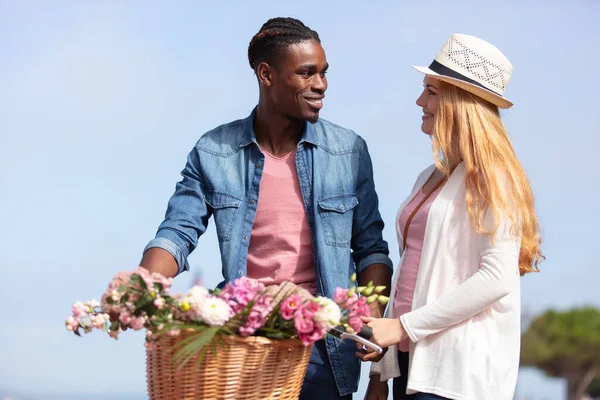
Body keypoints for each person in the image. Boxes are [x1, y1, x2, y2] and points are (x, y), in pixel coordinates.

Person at [140, 17, 393, 400]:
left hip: (326, 345)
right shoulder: (214, 150)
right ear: (266, 74)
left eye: (324, 73)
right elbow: (177, 233)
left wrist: (370, 319)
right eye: (306, 73)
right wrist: (142, 286)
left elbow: (371, 248)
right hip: (244, 339)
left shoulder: (349, 151)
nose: (321, 85)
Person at [359, 33, 544, 400]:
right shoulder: (428, 177)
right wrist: (380, 371)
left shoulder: (494, 179)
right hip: (413, 366)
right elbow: (410, 273)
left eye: (431, 91)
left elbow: (496, 278)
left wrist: (402, 328)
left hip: (457, 375)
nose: (419, 101)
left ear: (460, 102)